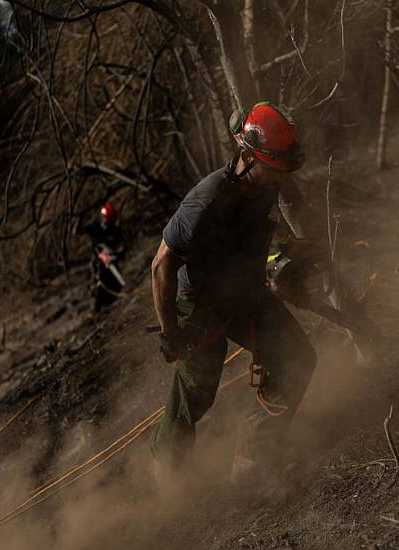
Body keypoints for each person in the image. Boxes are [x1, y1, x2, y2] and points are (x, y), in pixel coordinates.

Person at [149, 102, 316, 488]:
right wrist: (170, 331)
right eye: (274, 168)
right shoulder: (205, 201)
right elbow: (161, 264)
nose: (280, 177)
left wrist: (290, 266)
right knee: (197, 388)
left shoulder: (270, 186)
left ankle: (254, 459)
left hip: (245, 293)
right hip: (200, 300)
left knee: (297, 357)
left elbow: (270, 240)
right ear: (247, 157)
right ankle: (168, 476)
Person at [84, 202, 126, 312]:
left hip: (111, 261)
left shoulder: (116, 231)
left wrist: (114, 255)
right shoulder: (95, 227)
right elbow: (77, 230)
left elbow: (122, 246)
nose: (106, 221)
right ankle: (94, 310)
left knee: (115, 285)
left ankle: (113, 306)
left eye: (109, 218)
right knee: (97, 284)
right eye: (105, 218)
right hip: (97, 262)